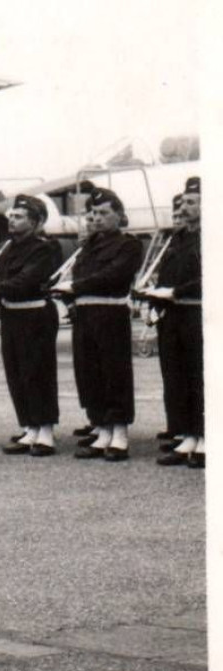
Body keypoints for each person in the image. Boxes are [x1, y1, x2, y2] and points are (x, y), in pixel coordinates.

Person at [52, 187, 143, 461]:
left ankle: (120, 434)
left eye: (105, 213)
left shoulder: (129, 245)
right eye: (94, 213)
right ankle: (102, 429)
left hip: (110, 313)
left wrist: (76, 285)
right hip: (85, 315)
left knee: (114, 373)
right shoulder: (88, 247)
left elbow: (113, 275)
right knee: (89, 373)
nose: (98, 218)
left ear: (119, 216)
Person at [0, 194, 63, 456]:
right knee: (17, 373)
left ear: (35, 222)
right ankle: (30, 426)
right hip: (12, 315)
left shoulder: (44, 247)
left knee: (38, 373)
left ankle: (45, 431)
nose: (11, 220)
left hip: (35, 315)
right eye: (11, 216)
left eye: (19, 217)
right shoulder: (9, 247)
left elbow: (28, 279)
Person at [146, 176, 203, 468]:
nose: (185, 207)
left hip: (199, 312)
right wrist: (155, 299)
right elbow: (167, 275)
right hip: (176, 313)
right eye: (183, 203)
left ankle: (206, 437)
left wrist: (177, 291)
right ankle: (189, 435)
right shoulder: (180, 239)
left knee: (199, 377)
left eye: (192, 202)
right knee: (179, 377)